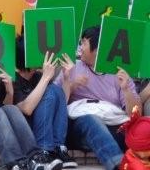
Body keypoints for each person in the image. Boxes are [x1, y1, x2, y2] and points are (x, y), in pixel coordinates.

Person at [55, 27, 141, 170]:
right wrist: (70, 84)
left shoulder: (117, 72)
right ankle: (118, 166)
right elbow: (54, 106)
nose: (80, 48)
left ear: (96, 50)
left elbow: (135, 115)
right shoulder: (72, 67)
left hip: (114, 127)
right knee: (91, 120)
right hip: (80, 128)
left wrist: (125, 89)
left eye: (84, 44)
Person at [14, 41, 77, 168]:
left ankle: (58, 148)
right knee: (50, 89)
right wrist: (45, 78)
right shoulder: (13, 79)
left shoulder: (37, 76)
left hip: (44, 127)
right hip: (26, 131)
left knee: (55, 89)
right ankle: (44, 150)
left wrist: (66, 76)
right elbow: (26, 109)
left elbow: (61, 102)